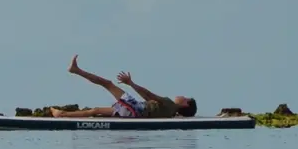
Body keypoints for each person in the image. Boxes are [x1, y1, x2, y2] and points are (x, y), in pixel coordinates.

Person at [49, 56, 197, 119]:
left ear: (185, 104)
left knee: (107, 83)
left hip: (137, 109)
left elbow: (148, 95)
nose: (182, 96)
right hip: (136, 113)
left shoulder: (169, 104)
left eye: (185, 98)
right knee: (96, 111)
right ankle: (61, 114)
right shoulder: (171, 112)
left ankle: (76, 70)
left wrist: (130, 83)